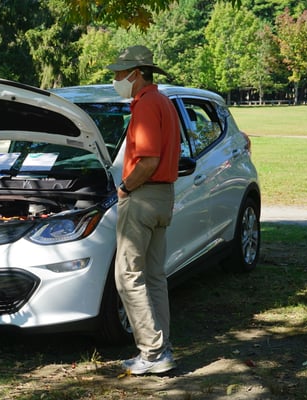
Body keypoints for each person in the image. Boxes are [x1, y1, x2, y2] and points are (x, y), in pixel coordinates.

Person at [107, 45, 181, 375]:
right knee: (153, 277)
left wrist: (125, 188)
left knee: (127, 277)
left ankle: (151, 353)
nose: (116, 78)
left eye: (120, 73)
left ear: (136, 74)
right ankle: (161, 347)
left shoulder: (147, 105)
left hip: (143, 197)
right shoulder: (164, 102)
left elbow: (148, 160)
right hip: (163, 197)